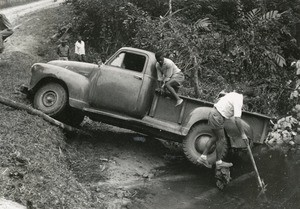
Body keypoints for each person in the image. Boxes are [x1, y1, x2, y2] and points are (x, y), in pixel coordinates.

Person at [197, 88, 254, 169]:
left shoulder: (234, 94)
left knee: (215, 137)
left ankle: (203, 157)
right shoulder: (239, 101)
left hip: (214, 113)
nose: (248, 102)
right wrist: (243, 134)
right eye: (249, 100)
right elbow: (237, 119)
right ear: (247, 97)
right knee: (222, 139)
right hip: (217, 116)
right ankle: (219, 162)